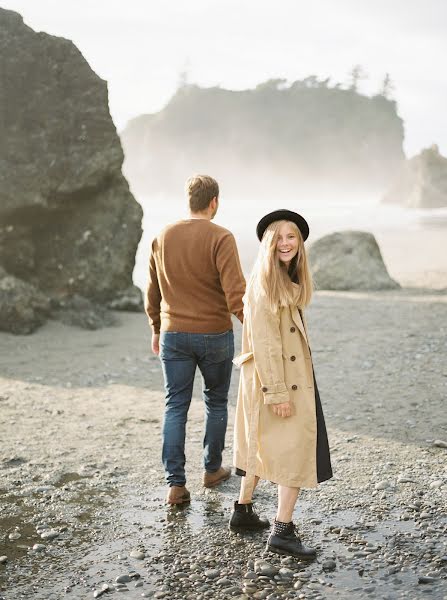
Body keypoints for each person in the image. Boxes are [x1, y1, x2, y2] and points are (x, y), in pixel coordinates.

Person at [229, 209, 333, 559]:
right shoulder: (264, 283)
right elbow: (266, 342)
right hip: (279, 381)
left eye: (293, 237)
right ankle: (282, 531)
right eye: (280, 237)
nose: (286, 243)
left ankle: (243, 511)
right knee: (296, 450)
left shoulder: (286, 277)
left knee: (261, 444)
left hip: (287, 377)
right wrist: (276, 392)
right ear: (269, 243)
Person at [145, 175, 246, 505]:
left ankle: (175, 484)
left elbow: (153, 290)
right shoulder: (221, 237)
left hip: (174, 335)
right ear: (213, 201)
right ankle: (212, 470)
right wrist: (255, 326)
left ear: (188, 200)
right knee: (216, 401)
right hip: (215, 334)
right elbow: (236, 295)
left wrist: (156, 328)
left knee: (175, 405)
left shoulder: (162, 236)